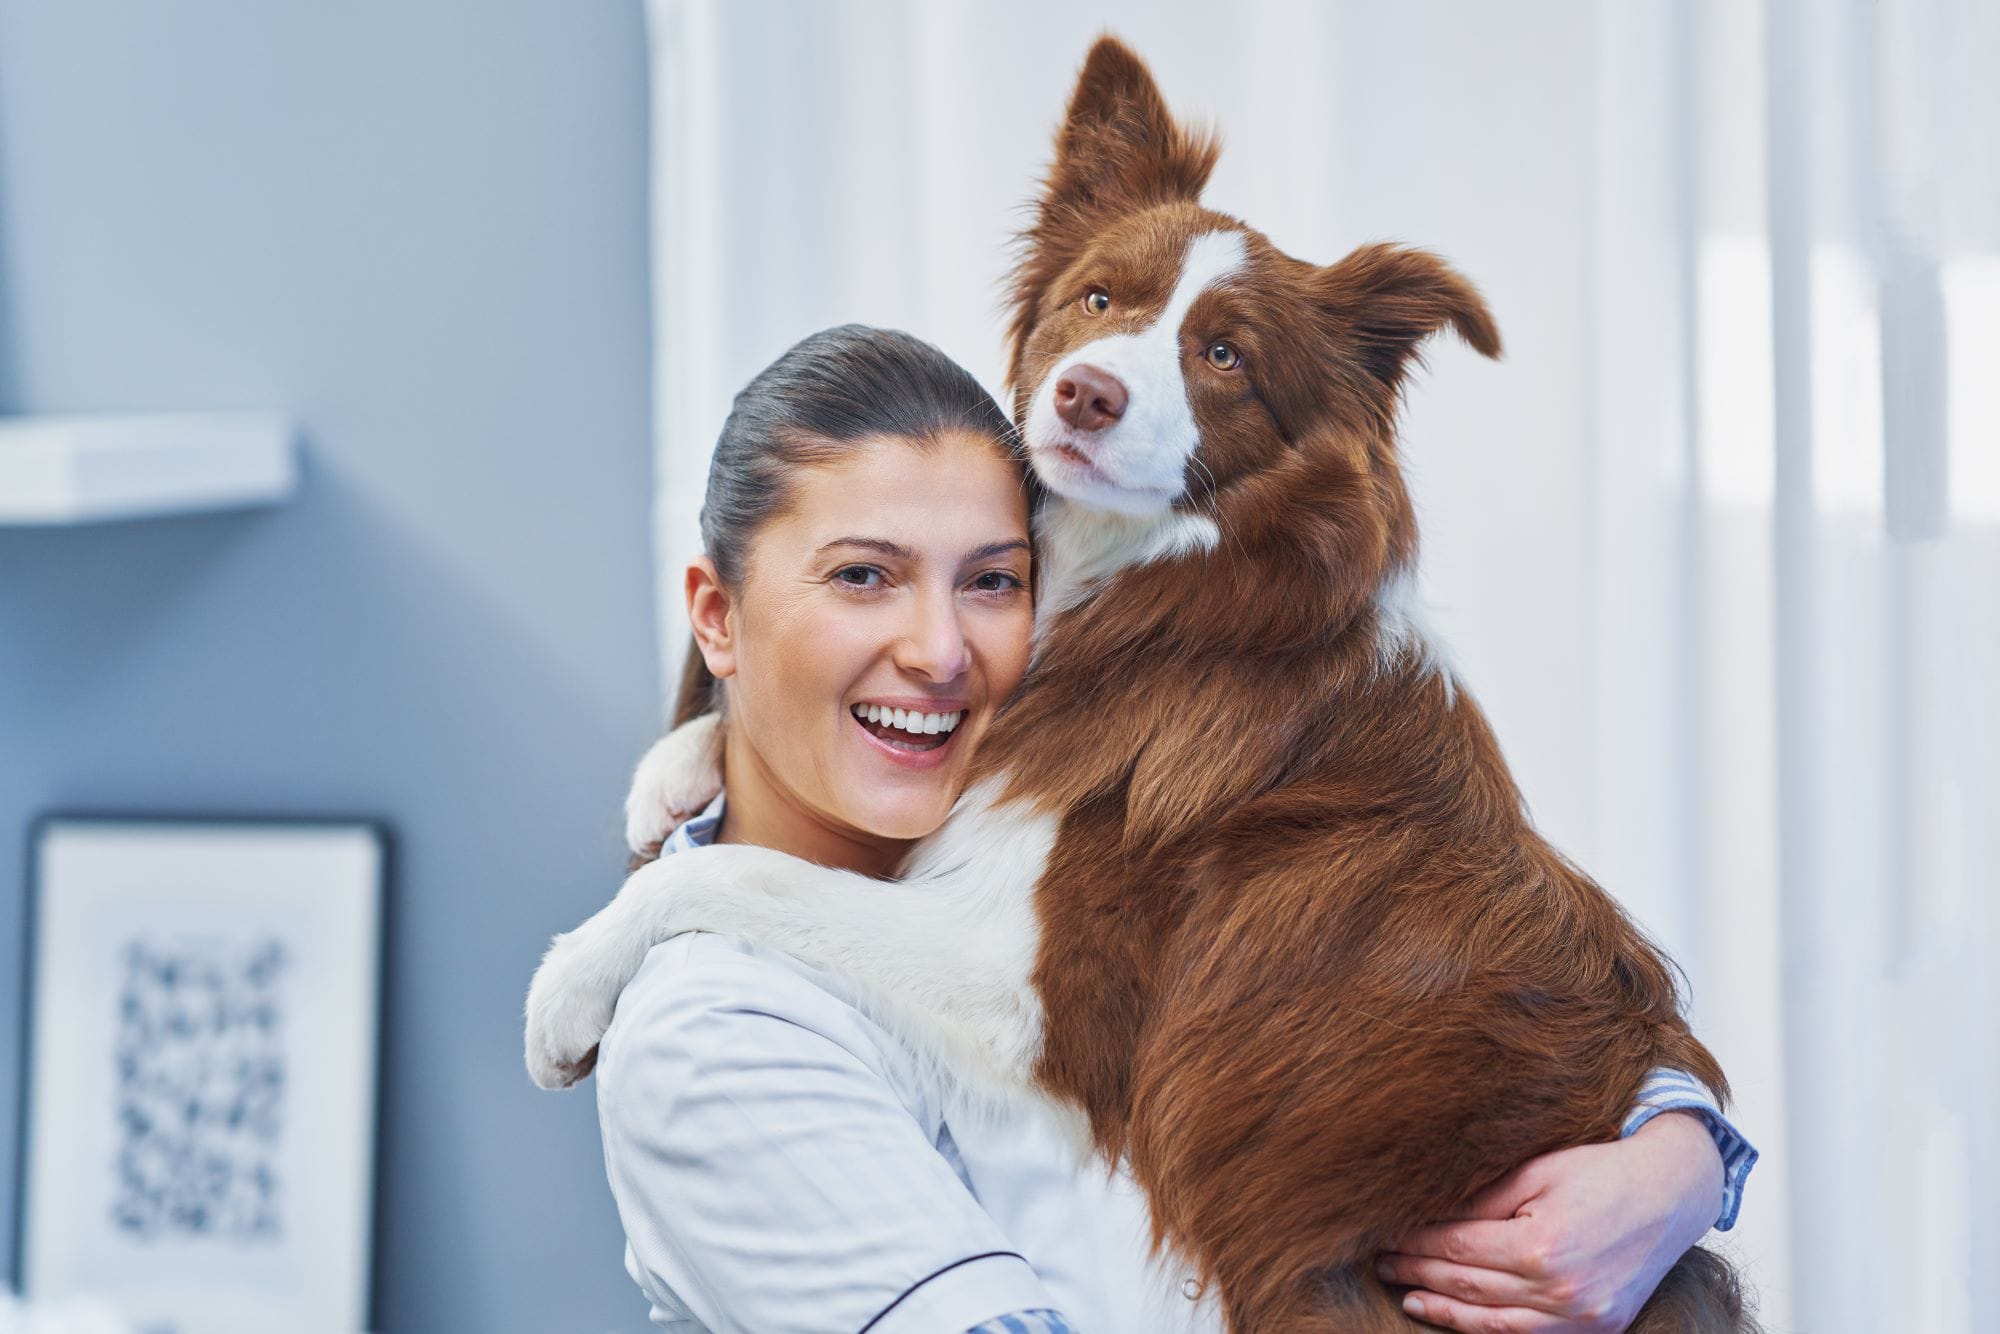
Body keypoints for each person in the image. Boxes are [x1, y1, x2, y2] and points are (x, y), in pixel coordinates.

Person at [589, 324, 1756, 1333]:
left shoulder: (1074, 854)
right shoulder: (716, 1032)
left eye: (992, 581)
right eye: (861, 577)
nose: (940, 650)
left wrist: (1675, 1163)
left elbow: (1483, 987)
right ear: (716, 615)